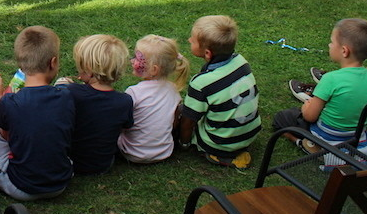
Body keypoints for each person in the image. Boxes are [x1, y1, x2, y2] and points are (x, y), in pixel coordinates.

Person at [0, 26, 75, 201]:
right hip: (60, 183)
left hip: (20, 186)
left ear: (20, 65)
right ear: (53, 62)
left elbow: (6, 136)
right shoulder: (66, 96)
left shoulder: (9, 102)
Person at [275, 19, 367, 153]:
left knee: (283, 117)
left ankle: (307, 144)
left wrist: (306, 107)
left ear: (344, 51)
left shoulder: (331, 79)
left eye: (332, 42)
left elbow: (310, 116)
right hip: (354, 135)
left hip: (327, 135)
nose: (329, 45)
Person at [177, 15, 261, 170]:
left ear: (208, 53)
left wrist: (184, 143)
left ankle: (218, 153)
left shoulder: (201, 83)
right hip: (250, 134)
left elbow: (189, 120)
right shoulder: (242, 62)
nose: (189, 40)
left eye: (193, 40)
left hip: (220, 142)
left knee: (180, 111)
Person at [60, 34, 133, 175]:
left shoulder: (71, 92)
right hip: (102, 165)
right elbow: (126, 126)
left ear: (89, 69)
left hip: (70, 161)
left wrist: (63, 84)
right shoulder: (124, 101)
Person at [118, 35, 190, 163]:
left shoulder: (133, 92)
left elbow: (124, 123)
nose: (132, 61)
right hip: (164, 151)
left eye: (137, 58)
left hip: (132, 152)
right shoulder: (173, 90)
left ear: (153, 69)